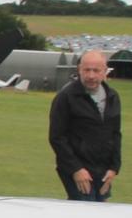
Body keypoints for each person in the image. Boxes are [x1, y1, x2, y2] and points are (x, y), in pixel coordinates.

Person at [48, 49, 121, 201]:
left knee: (100, 214)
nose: (91, 75)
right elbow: (57, 137)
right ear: (79, 70)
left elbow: (115, 133)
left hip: (103, 171)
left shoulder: (112, 97)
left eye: (96, 70)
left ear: (105, 71)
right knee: (83, 213)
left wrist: (114, 168)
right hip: (77, 170)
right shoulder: (66, 97)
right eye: (86, 70)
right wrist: (76, 169)